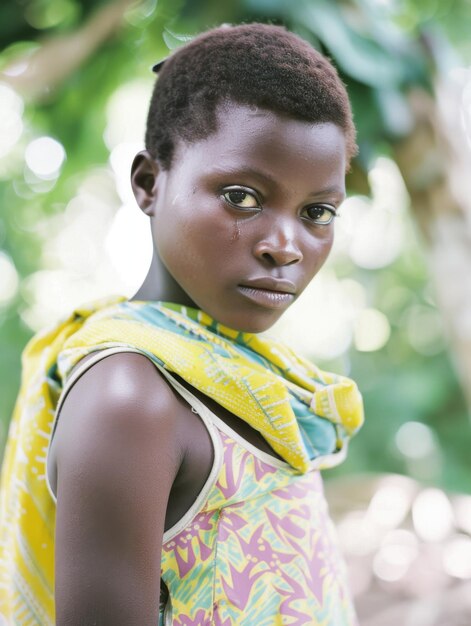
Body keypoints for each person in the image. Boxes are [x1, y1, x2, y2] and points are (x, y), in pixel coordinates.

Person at [0, 23, 364, 626]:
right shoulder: (132, 400)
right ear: (148, 182)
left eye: (317, 212)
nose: (284, 246)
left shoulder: (245, 376)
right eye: (242, 197)